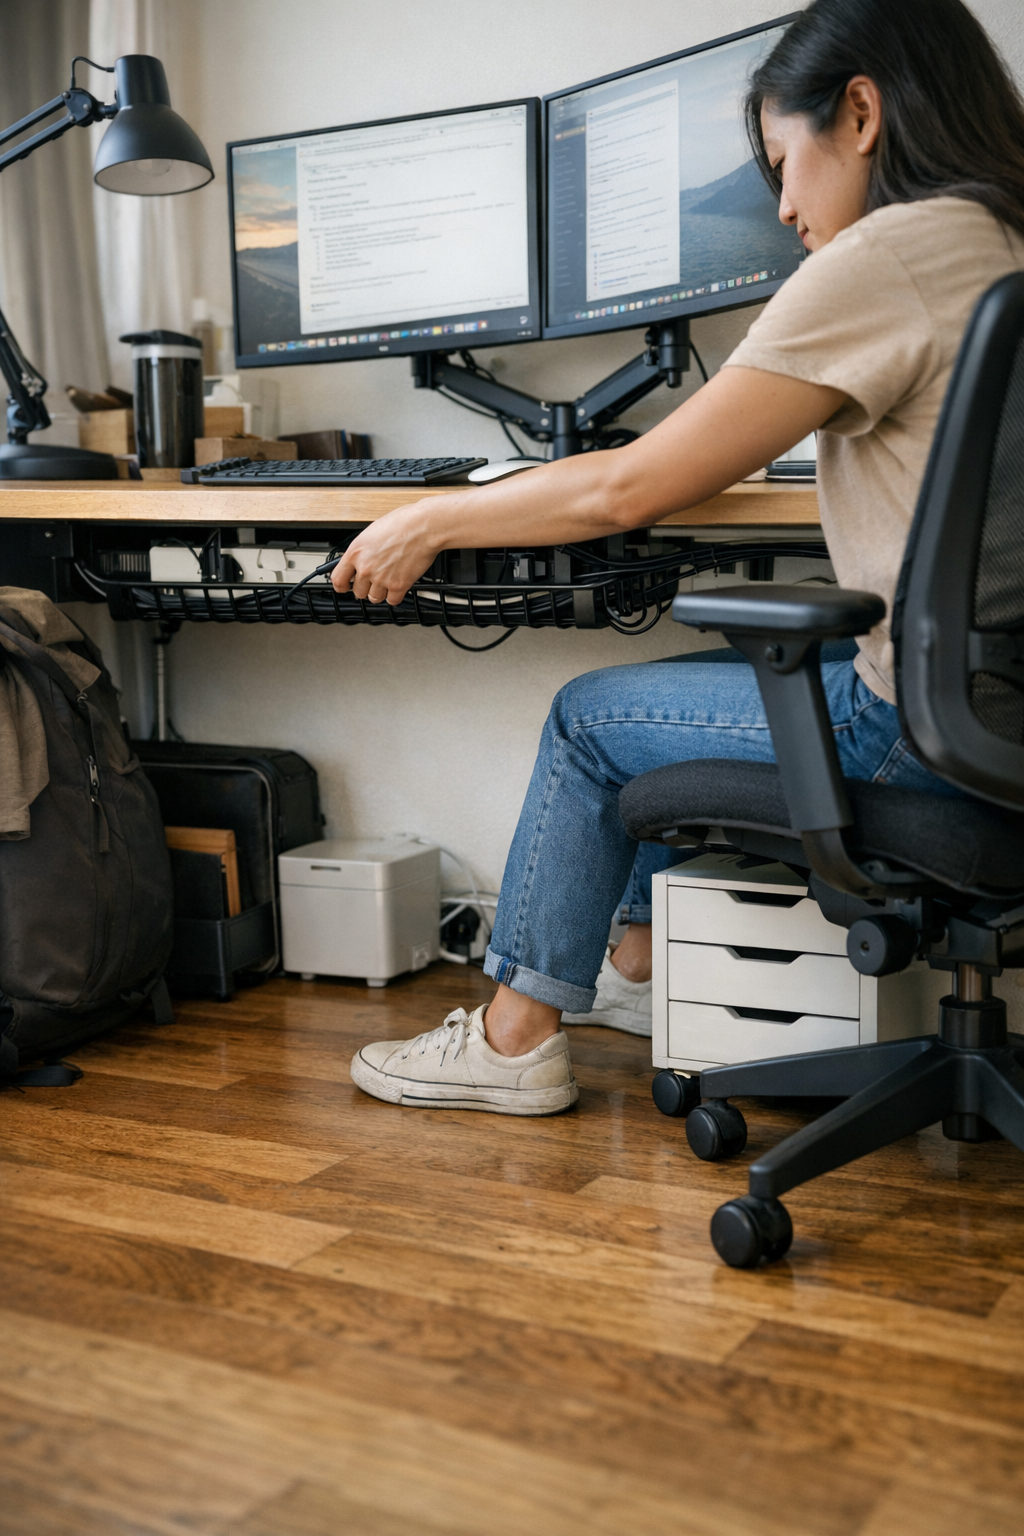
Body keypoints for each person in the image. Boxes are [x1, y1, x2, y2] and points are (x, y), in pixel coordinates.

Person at [344, 0, 1024, 1115]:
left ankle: (512, 1042)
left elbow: (632, 485)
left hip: (916, 732)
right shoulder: (1001, 236)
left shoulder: (891, 251)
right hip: (1004, 717)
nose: (787, 209)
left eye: (780, 166)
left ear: (859, 113)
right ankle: (632, 967)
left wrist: (431, 518)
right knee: (666, 687)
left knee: (584, 716)